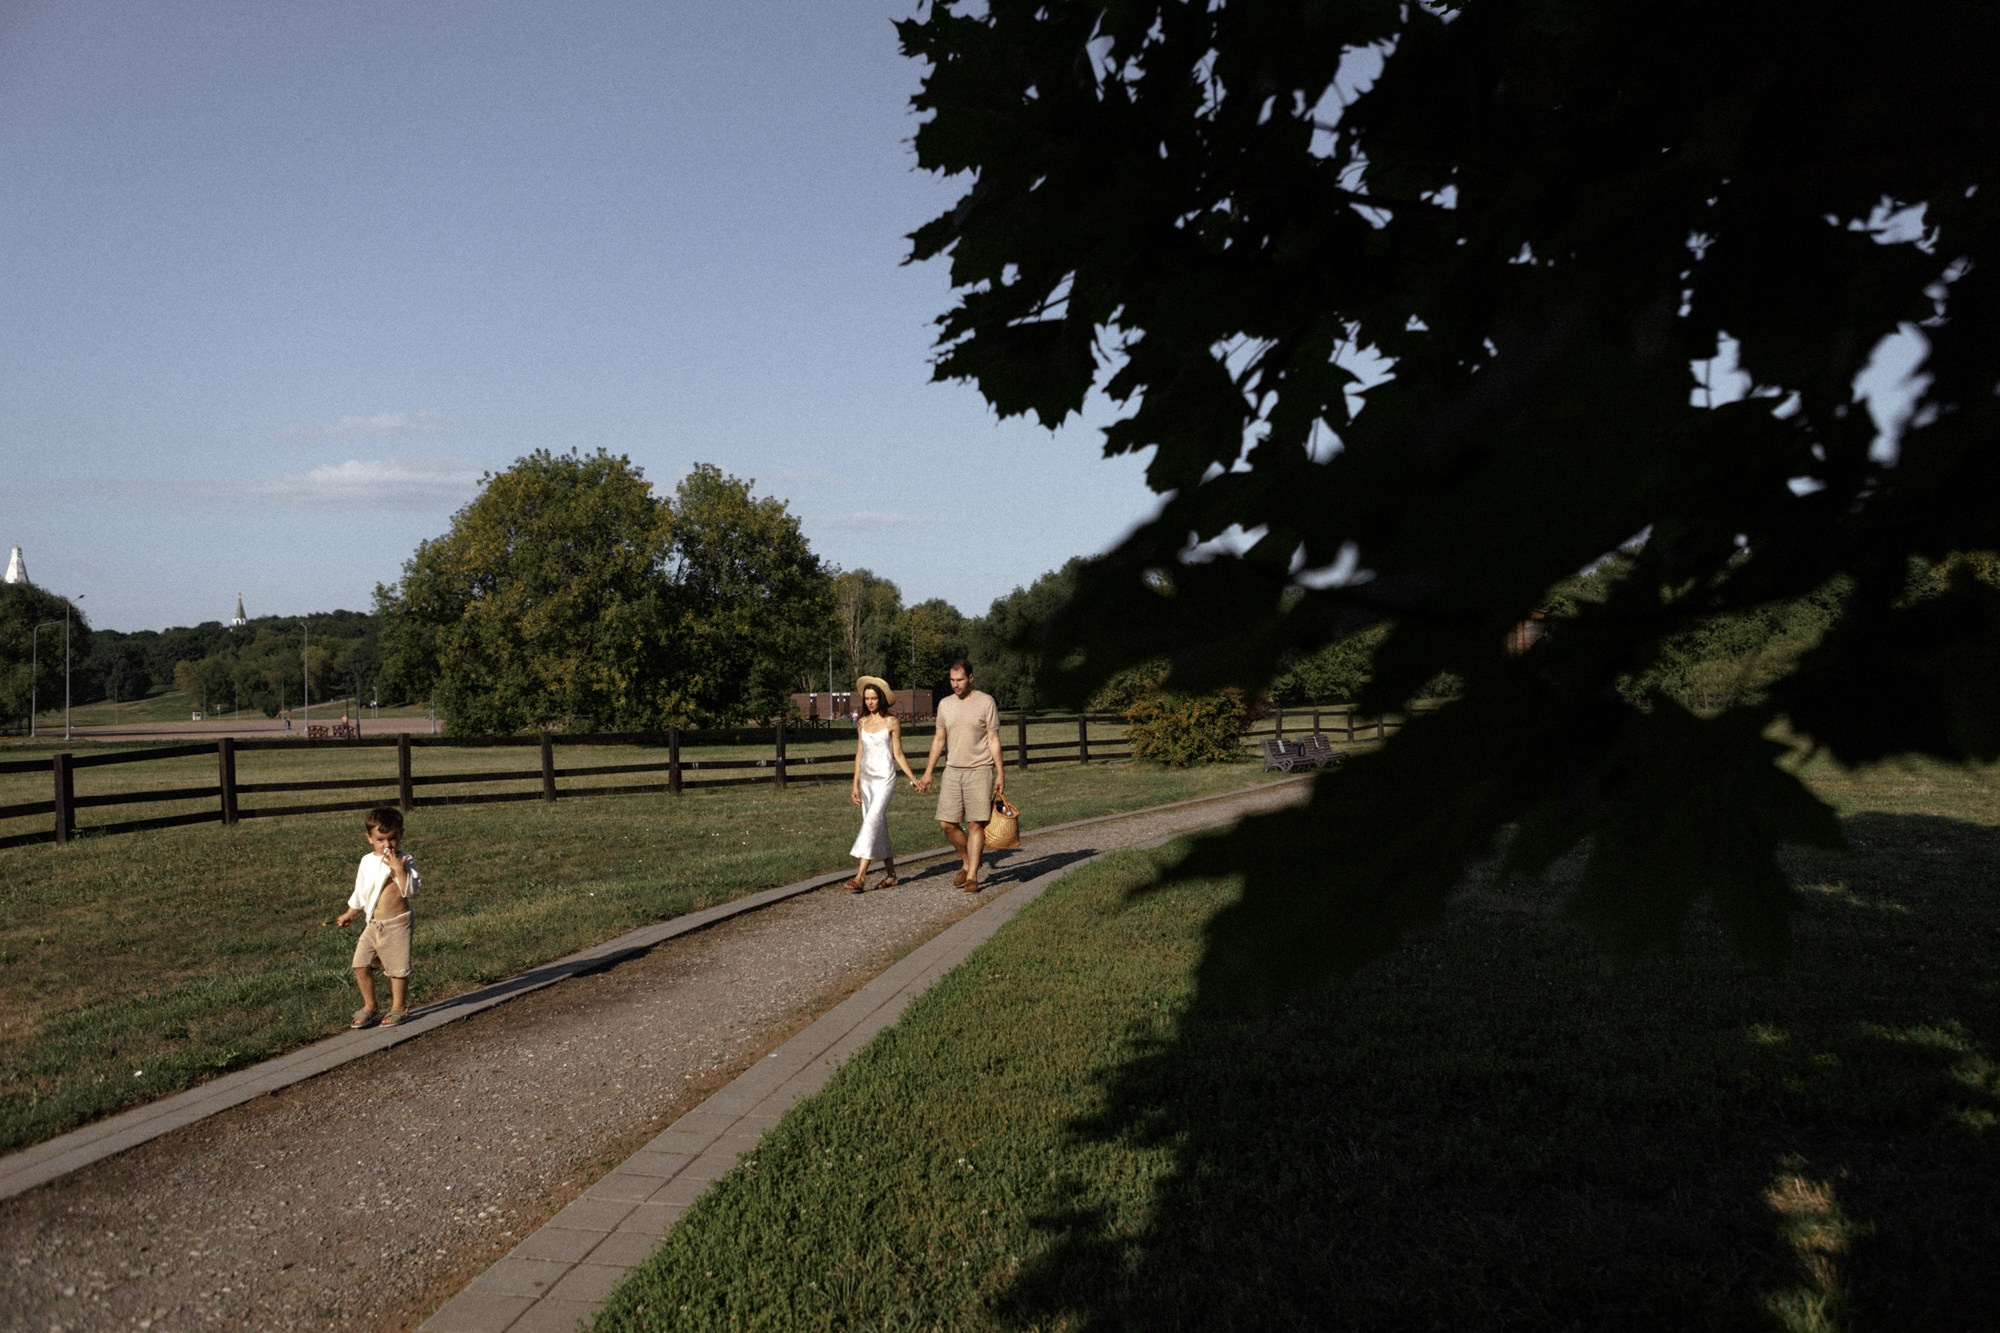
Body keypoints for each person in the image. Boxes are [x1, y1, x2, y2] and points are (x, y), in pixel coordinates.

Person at [915, 659, 1005, 893]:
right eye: (952, 680)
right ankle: (967, 861)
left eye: (960, 680)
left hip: (980, 769)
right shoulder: (945, 704)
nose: (955, 684)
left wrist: (1000, 773)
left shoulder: (986, 702)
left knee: (975, 823)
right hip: (953, 770)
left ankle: (973, 875)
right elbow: (939, 739)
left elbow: (994, 740)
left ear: (971, 678)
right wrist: (927, 773)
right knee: (946, 823)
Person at [334, 806, 420, 1028]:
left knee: (397, 969)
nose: (387, 845)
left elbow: (410, 890)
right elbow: (361, 890)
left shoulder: (405, 860)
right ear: (369, 838)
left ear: (400, 835)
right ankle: (370, 1006)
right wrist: (351, 912)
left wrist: (399, 870)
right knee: (360, 964)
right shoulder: (367, 861)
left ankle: (399, 1007)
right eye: (380, 839)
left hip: (397, 923)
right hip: (373, 923)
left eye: (392, 838)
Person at [846, 676, 918, 892]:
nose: (870, 702)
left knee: (871, 822)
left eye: (874, 698)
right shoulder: (862, 722)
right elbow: (859, 753)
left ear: (881, 699)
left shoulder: (892, 722)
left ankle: (860, 877)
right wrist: (855, 785)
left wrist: (913, 778)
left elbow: (898, 753)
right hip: (867, 780)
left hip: (885, 778)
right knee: (878, 825)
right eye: (867, 698)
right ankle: (891, 875)